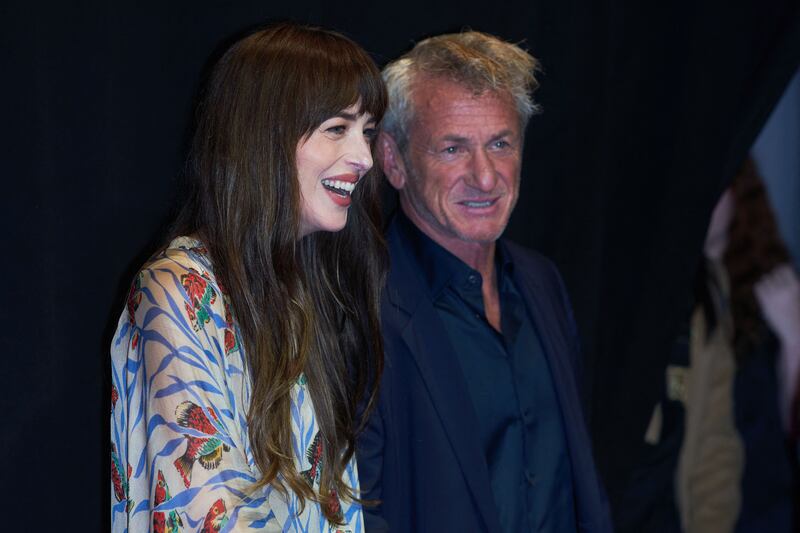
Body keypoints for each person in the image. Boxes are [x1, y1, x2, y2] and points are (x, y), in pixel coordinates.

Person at [109, 23, 387, 532]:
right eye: (337, 128)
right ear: (265, 136)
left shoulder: (301, 289)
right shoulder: (179, 289)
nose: (365, 157)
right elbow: (207, 515)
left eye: (367, 131)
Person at [356, 31, 613, 532]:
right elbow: (357, 514)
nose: (487, 177)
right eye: (453, 148)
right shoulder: (362, 308)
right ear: (393, 160)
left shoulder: (542, 283)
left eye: (500, 143)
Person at [676, 158, 800, 533]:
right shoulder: (678, 299)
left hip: (765, 507)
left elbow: (771, 437)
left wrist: (794, 348)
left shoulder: (772, 292)